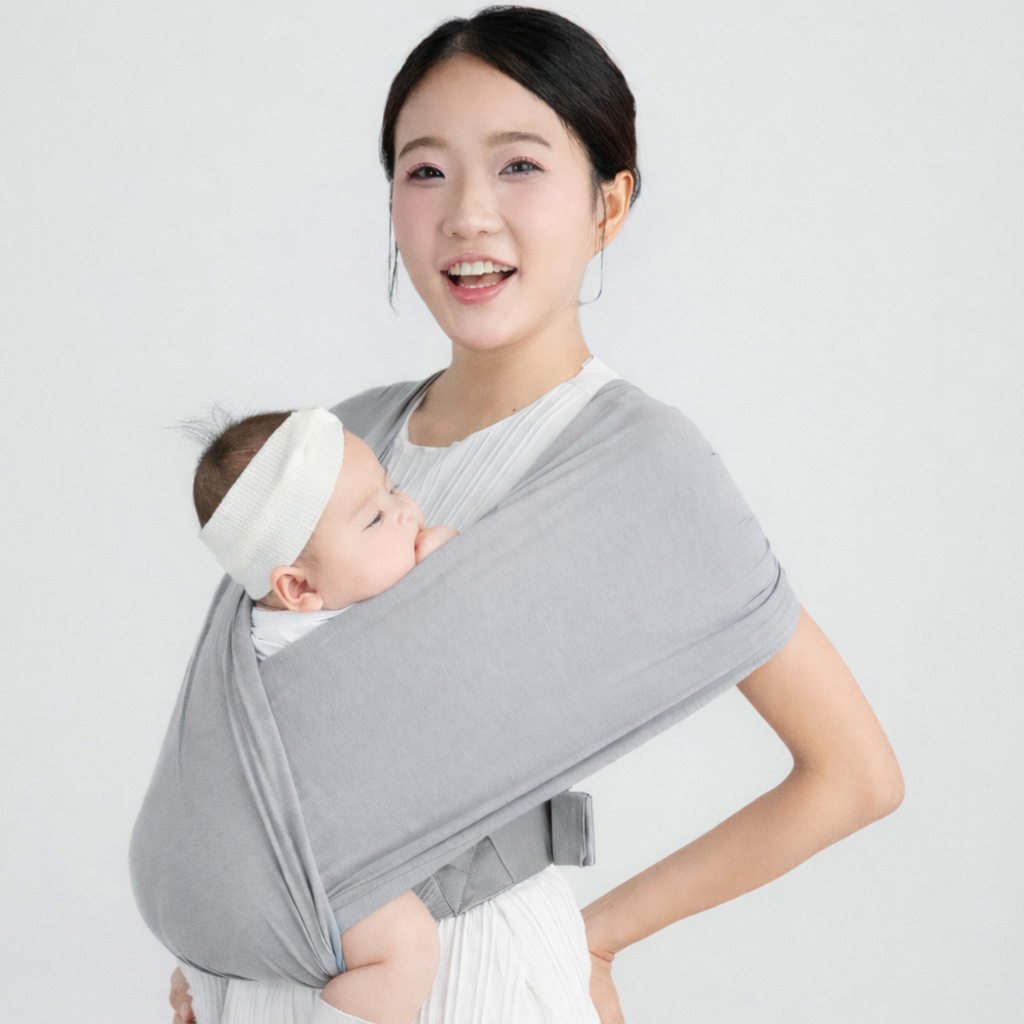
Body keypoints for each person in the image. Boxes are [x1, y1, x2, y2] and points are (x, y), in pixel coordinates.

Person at [168, 9, 904, 1023]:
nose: (468, 215)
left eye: (519, 166)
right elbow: (245, 740)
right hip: (270, 982)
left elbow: (855, 775)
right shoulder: (339, 443)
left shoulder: (641, 468)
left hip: (479, 979)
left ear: (610, 204)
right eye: (426, 171)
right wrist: (217, 942)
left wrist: (599, 937)